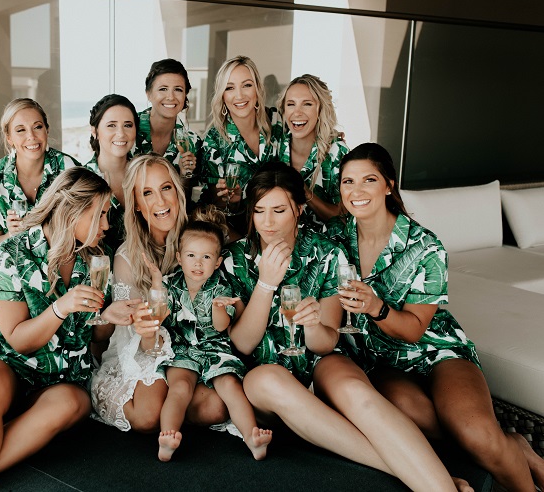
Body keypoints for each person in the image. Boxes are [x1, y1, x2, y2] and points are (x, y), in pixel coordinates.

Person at [223, 161, 465, 491]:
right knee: (266, 379)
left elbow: (324, 343)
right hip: (267, 377)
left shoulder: (328, 254)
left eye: (279, 210)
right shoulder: (234, 259)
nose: (267, 222)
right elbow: (242, 345)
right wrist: (265, 285)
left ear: (299, 209)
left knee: (355, 390)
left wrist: (311, 325)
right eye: (259, 211)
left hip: (319, 361)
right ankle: (424, 477)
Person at [326, 142, 544, 490]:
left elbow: (413, 330)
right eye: (347, 182)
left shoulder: (425, 245)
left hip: (434, 347)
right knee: (411, 417)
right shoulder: (333, 239)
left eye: (368, 180)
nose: (357, 191)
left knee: (477, 435)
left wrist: (375, 306)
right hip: (380, 359)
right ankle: (511, 442)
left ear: (389, 185)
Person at [0, 167, 113, 491]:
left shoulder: (95, 259)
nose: (106, 226)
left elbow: (98, 336)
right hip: (5, 373)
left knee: (74, 402)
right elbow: (18, 342)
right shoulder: (11, 256)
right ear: (72, 211)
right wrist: (61, 307)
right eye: (100, 216)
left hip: (59, 383)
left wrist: (111, 316)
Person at [91, 154, 231, 433]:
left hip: (194, 350)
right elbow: (138, 345)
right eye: (147, 193)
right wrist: (149, 327)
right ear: (138, 206)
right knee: (147, 417)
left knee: (216, 407)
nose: (161, 201)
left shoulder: (200, 238)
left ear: (178, 192)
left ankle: (174, 404)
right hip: (146, 349)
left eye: (166, 188)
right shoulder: (127, 258)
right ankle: (163, 405)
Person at [155, 206, 272, 462]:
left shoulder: (221, 285)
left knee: (230, 385)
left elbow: (221, 327)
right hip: (183, 347)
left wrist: (219, 308)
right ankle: (167, 437)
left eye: (207, 257)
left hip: (216, 347)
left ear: (217, 261)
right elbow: (161, 318)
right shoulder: (169, 284)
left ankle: (252, 437)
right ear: (179, 257)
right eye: (191, 255)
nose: (198, 263)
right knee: (180, 387)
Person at [0, 98, 78, 316]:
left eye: (37, 127)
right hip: (9, 256)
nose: (31, 137)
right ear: (8, 137)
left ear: (46, 129)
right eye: (20, 130)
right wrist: (12, 234)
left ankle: (27, 333)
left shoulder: (68, 170)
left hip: (56, 256)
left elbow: (84, 224)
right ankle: (9, 336)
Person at [200, 55, 286, 239]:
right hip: (238, 234)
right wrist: (233, 200)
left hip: (282, 228)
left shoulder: (277, 122)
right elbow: (215, 207)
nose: (239, 95)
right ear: (222, 95)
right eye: (230, 88)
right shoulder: (214, 140)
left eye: (246, 85)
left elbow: (305, 133)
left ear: (257, 88)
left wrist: (330, 136)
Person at [277, 74, 348, 232]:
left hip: (324, 249)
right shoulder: (275, 146)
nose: (297, 112)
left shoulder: (337, 153)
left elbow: (343, 216)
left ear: (321, 109)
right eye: (291, 104)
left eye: (307, 104)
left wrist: (305, 192)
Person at [82, 94, 139, 253]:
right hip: (97, 270)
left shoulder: (145, 173)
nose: (121, 133)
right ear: (95, 131)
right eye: (111, 125)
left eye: (128, 125)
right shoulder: (81, 180)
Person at [135, 59, 202, 190]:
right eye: (163, 89)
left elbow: (186, 200)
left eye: (178, 89)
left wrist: (184, 175)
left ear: (185, 95)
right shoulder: (129, 128)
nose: (171, 97)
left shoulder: (193, 142)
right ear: (148, 94)